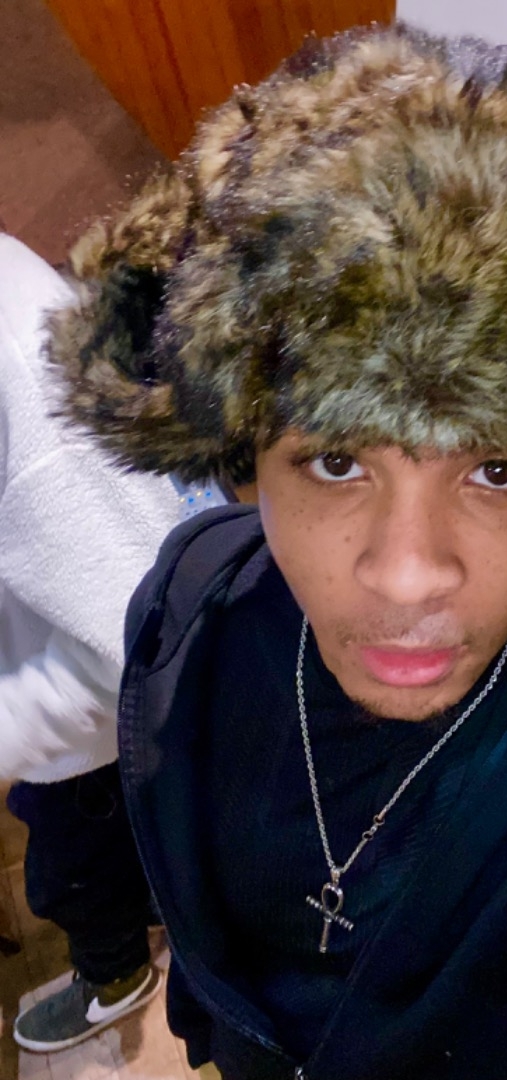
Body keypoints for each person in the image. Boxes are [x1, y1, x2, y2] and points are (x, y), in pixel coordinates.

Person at [46, 24, 507, 1080]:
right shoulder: (189, 601)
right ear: (243, 455)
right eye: (336, 462)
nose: (407, 576)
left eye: (498, 469)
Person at [0, 233, 228, 1052]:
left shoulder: (16, 353)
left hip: (90, 733)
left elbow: (130, 648)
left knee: (74, 877)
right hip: (85, 706)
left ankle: (116, 977)